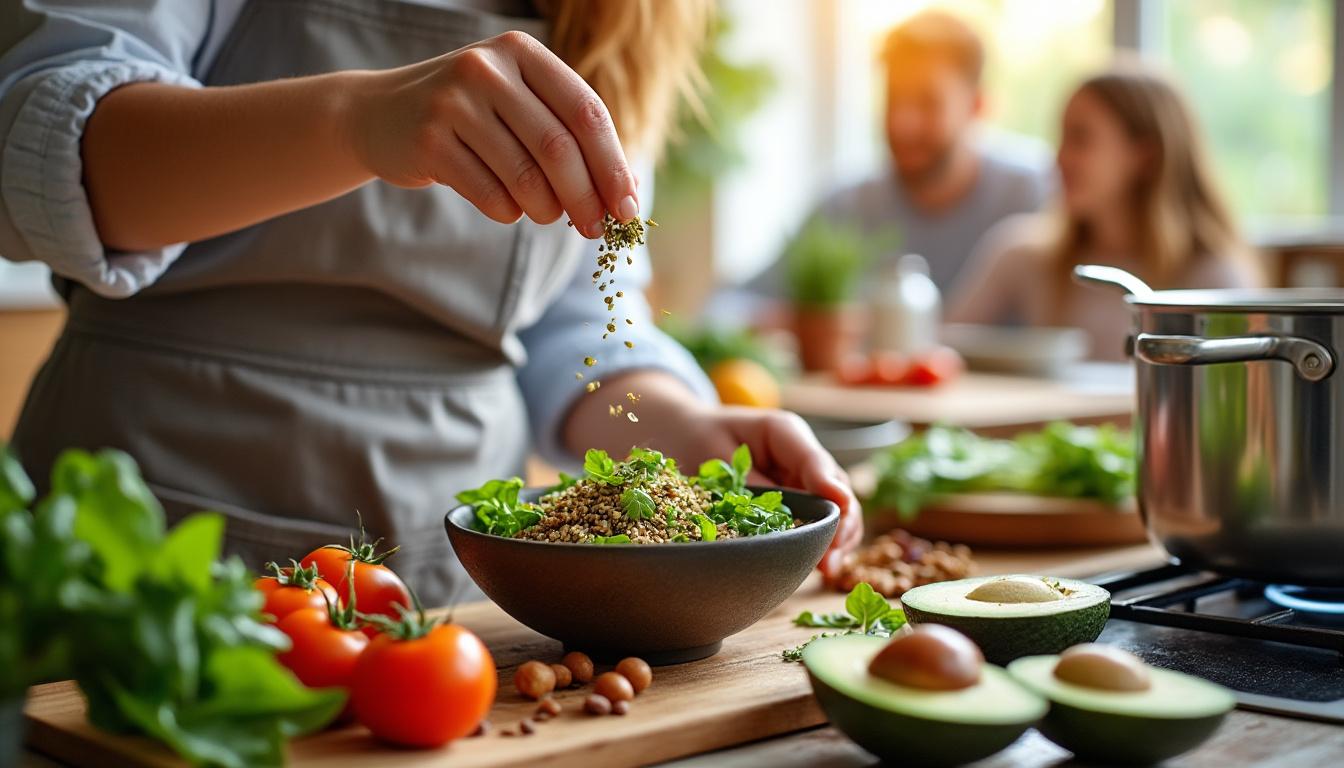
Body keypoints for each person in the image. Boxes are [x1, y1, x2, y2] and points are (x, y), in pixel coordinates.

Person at [0, 0, 860, 603]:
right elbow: (28, 152)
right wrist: (354, 120)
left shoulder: (630, 17)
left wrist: (687, 430)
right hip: (140, 545)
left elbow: (573, 311)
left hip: (452, 592)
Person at [947, 63, 1260, 360]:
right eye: (1062, 137)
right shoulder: (1023, 256)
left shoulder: (1213, 280)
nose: (1059, 159)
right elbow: (937, 350)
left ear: (1144, 155)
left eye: (1080, 138)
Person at [803, 10, 1052, 292]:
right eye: (894, 98)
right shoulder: (845, 207)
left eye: (928, 102)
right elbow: (749, 300)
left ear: (977, 106)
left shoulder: (1036, 197)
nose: (903, 123)